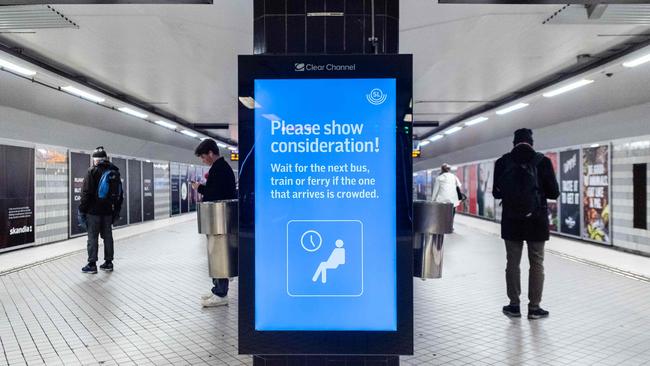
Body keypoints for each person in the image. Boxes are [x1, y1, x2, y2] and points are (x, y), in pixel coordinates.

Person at [493, 129, 559, 320]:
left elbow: (496, 193)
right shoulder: (543, 161)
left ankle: (514, 306)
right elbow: (554, 192)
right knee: (536, 263)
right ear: (531, 142)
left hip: (511, 220)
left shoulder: (502, 162)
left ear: (514, 143)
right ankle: (534, 308)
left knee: (512, 262)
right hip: (537, 221)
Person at [191, 139, 237, 307]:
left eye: (203, 157)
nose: (203, 160)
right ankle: (217, 288)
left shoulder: (220, 170)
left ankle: (221, 293)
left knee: (218, 254)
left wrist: (199, 188)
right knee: (216, 253)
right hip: (219, 219)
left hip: (220, 219)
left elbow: (214, 194)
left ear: (211, 153)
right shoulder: (220, 168)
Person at [79, 147, 123, 274]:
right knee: (108, 237)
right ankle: (109, 263)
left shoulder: (92, 171)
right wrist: (116, 211)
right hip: (108, 212)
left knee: (92, 237)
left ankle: (92, 264)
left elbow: (86, 193)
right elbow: (120, 194)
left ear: (96, 160)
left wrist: (82, 210)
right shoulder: (114, 172)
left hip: (93, 212)